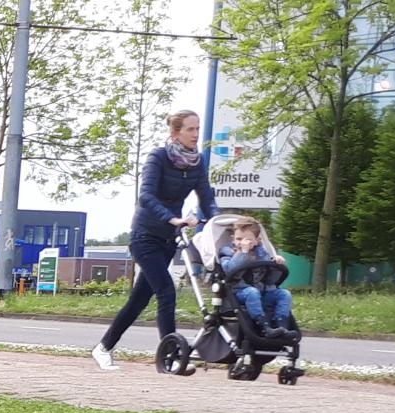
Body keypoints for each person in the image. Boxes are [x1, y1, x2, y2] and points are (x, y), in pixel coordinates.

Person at [91, 110, 219, 370]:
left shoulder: (197, 162)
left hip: (168, 240)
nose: (196, 135)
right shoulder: (158, 157)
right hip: (144, 236)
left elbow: (206, 197)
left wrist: (216, 221)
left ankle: (103, 347)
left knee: (138, 300)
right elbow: (146, 197)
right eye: (190, 130)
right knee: (167, 291)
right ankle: (169, 358)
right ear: (175, 133)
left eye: (197, 129)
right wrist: (172, 218)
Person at [219, 217, 294, 337]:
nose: (242, 242)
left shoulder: (261, 252)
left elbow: (270, 279)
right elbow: (230, 270)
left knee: (284, 294)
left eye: (247, 239)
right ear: (233, 238)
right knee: (252, 292)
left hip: (262, 291)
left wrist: (276, 263)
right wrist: (243, 253)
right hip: (239, 292)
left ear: (257, 240)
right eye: (238, 239)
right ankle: (264, 327)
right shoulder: (228, 252)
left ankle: (282, 326)